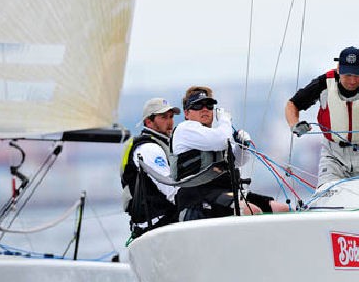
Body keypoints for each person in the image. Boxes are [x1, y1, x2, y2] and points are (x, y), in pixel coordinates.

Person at [172, 86, 289, 220]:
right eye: (198, 105)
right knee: (252, 210)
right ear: (187, 113)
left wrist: (242, 146)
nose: (204, 109)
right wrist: (225, 120)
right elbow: (221, 140)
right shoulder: (185, 129)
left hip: (224, 191)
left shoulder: (215, 133)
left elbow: (238, 161)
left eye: (209, 105)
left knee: (282, 209)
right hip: (196, 196)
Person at [285, 46, 359, 188]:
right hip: (333, 156)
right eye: (347, 75)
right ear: (338, 69)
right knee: (327, 194)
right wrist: (295, 125)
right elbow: (292, 104)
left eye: (357, 75)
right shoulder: (324, 83)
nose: (352, 81)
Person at [121, 97, 181, 238]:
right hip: (156, 224)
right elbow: (170, 189)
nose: (170, 122)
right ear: (149, 121)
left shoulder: (162, 143)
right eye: (163, 117)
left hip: (161, 222)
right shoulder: (149, 149)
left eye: (171, 117)